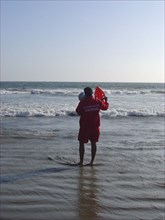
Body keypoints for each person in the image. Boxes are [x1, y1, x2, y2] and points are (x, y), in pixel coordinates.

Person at [76, 87, 109, 166]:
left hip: (84, 127)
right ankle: (92, 161)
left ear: (85, 94)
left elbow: (78, 112)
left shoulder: (83, 103)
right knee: (93, 143)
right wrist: (106, 101)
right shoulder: (98, 101)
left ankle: (81, 162)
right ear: (92, 93)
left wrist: (81, 101)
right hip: (95, 126)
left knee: (81, 143)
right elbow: (105, 108)